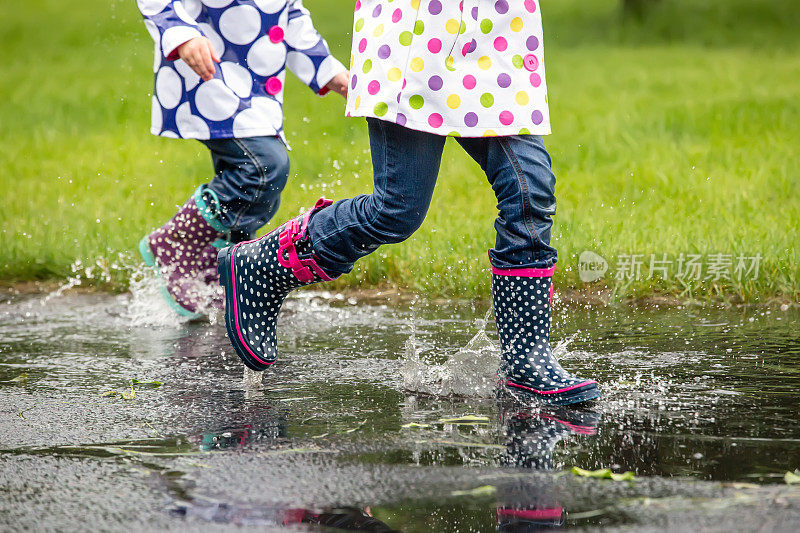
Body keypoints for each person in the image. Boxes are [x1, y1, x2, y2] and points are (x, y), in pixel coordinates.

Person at [216, 1, 601, 405]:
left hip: (496, 42)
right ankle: (264, 264)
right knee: (397, 210)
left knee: (530, 188)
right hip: (417, 40)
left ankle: (527, 358)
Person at [135, 0, 348, 318]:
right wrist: (181, 34)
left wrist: (327, 69)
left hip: (257, 88)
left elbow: (290, 16)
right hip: (208, 72)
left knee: (256, 187)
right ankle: (174, 243)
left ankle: (224, 279)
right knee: (262, 168)